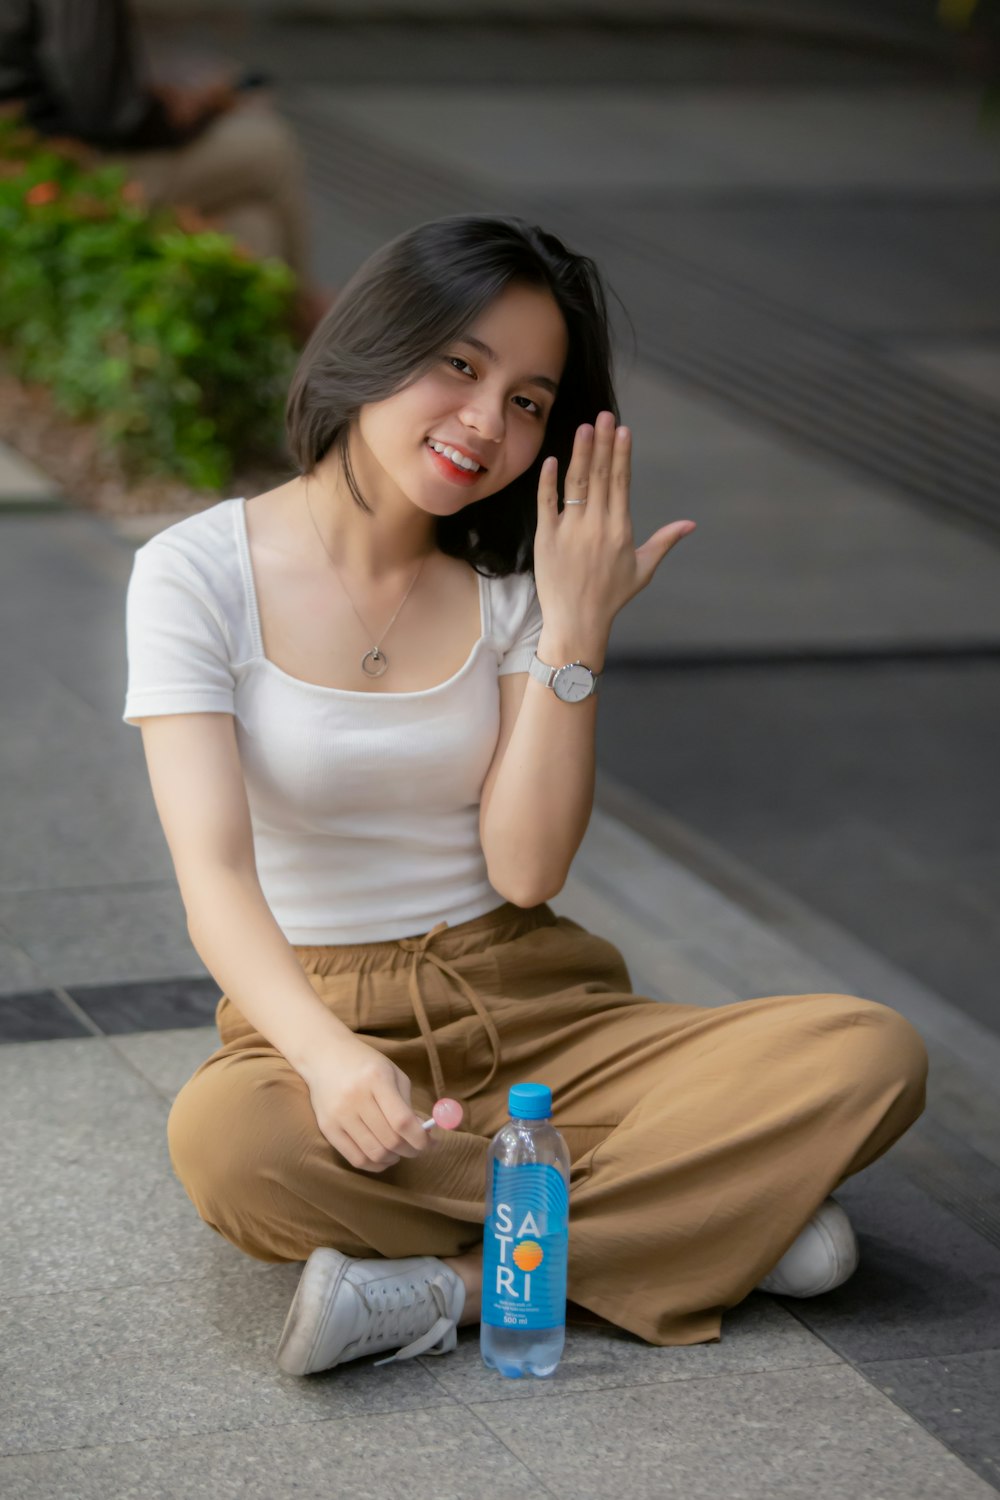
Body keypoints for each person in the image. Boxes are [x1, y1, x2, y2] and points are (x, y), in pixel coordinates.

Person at [121, 213, 928, 1375]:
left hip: (536, 1004)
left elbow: (527, 871)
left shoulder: (506, 588)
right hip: (320, 1002)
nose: (483, 424)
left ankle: (446, 1289)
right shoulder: (193, 574)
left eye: (529, 402)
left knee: (867, 1052)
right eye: (459, 366)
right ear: (376, 342)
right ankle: (714, 1219)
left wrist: (574, 632)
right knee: (229, 1145)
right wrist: (330, 1058)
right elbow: (213, 872)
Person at [0, 0, 332, 338]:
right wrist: (196, 110)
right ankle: (310, 322)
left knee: (253, 225)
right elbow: (108, 115)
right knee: (271, 146)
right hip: (59, 176)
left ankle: (275, 351)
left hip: (31, 167)